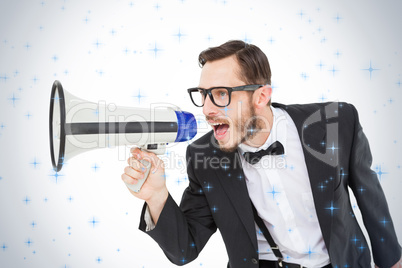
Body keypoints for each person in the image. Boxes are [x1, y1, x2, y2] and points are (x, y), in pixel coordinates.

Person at [121, 40, 401, 268]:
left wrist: (393, 261)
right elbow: (185, 251)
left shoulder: (335, 122)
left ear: (261, 97)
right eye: (202, 94)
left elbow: (369, 196)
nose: (206, 109)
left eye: (220, 94)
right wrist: (156, 196)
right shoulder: (203, 155)